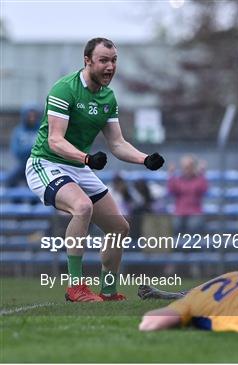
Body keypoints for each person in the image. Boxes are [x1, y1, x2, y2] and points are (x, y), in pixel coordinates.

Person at [25, 38, 165, 302]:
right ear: (87, 61)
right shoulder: (65, 89)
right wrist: (87, 158)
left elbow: (117, 143)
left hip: (78, 166)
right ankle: (75, 287)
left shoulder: (107, 97)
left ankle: (108, 290)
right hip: (46, 163)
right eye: (103, 60)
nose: (110, 66)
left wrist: (145, 159)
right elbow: (55, 140)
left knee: (119, 227)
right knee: (83, 207)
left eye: (113, 61)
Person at [167, 155, 208, 234]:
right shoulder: (178, 180)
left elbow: (204, 189)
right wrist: (171, 175)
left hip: (195, 211)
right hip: (180, 211)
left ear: (193, 167)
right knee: (175, 224)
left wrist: (202, 173)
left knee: (194, 225)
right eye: (184, 167)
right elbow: (171, 190)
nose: (186, 169)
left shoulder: (198, 179)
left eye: (189, 166)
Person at [6, 103, 41, 187]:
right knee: (10, 181)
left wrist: (28, 149)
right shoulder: (18, 131)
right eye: (29, 116)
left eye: (34, 116)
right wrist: (32, 147)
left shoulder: (42, 130)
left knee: (35, 187)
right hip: (22, 164)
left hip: (38, 165)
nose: (32, 118)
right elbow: (16, 151)